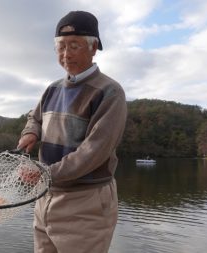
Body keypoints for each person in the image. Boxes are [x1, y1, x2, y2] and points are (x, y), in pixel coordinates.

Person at [17, 10, 127, 253]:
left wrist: (45, 173)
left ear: (94, 47)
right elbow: (34, 117)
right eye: (61, 46)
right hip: (45, 197)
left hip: (86, 202)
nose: (66, 54)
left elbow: (94, 152)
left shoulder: (110, 92)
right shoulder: (52, 89)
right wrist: (31, 132)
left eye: (74, 45)